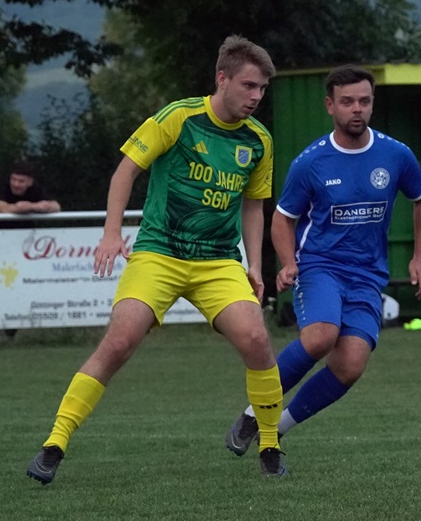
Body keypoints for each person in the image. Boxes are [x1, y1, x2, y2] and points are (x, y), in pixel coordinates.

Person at [26, 35, 287, 484]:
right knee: (119, 342)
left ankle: (269, 445)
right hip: (159, 253)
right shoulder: (178, 118)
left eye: (262, 88)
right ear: (222, 79)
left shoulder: (258, 140)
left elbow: (253, 205)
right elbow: (125, 171)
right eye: (249, 86)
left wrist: (254, 266)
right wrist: (111, 234)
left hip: (217, 262)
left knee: (257, 340)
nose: (256, 96)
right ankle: (54, 443)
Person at [224, 64, 421, 456]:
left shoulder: (395, 154)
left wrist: (420, 256)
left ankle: (278, 428)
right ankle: (255, 413)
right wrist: (288, 262)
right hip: (319, 266)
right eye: (347, 102)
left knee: (351, 364)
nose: (357, 109)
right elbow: (282, 219)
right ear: (330, 105)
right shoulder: (311, 162)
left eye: (364, 101)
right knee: (321, 336)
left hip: (367, 275)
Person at [0, 160, 61, 228]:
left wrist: (31, 207)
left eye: (21, 181)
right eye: (13, 179)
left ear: (30, 182)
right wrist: (32, 207)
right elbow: (3, 209)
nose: (16, 184)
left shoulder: (36, 189)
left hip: (28, 232)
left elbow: (56, 206)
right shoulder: (2, 187)